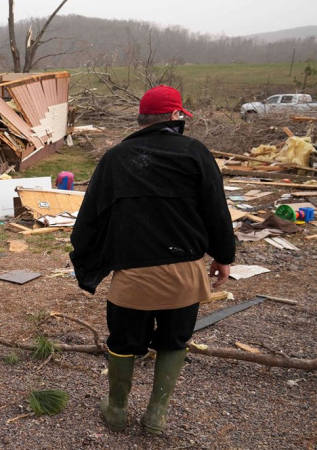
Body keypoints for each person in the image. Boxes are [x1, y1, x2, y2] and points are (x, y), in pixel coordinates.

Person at [69, 85, 236, 435]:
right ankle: (156, 415)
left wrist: (84, 262)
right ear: (176, 117)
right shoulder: (195, 153)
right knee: (174, 342)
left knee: (123, 342)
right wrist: (223, 256)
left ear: (142, 120)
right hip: (185, 277)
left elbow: (89, 218)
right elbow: (217, 211)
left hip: (133, 279)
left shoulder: (116, 157)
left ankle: (116, 410)